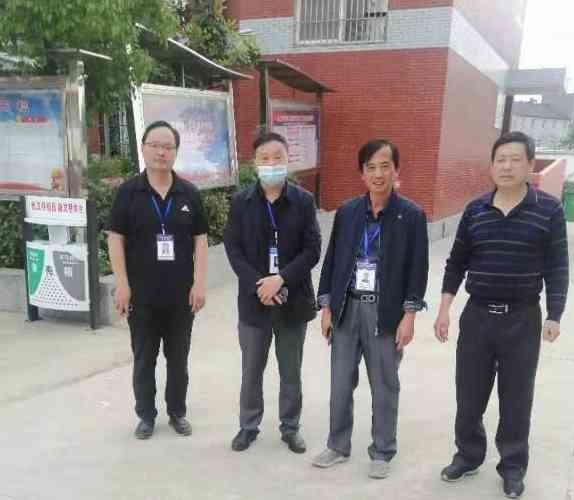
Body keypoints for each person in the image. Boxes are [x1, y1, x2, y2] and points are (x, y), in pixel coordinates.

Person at [434, 131, 569, 498]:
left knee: (516, 399)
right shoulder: (475, 210)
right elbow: (456, 262)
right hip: (477, 317)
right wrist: (444, 309)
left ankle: (512, 466)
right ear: (492, 166)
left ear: (530, 164)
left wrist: (554, 314)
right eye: (500, 159)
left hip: (522, 319)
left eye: (515, 159)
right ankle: (468, 455)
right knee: (469, 395)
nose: (507, 166)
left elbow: (558, 265)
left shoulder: (549, 210)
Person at [312, 139, 429, 479]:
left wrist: (409, 316)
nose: (378, 174)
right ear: (362, 173)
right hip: (347, 309)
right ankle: (337, 445)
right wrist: (327, 306)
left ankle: (382, 451)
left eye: (385, 166)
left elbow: (417, 269)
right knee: (340, 382)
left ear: (396, 170)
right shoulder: (348, 212)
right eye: (371, 167)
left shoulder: (411, 215)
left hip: (385, 311)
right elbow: (332, 261)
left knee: (384, 385)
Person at [108, 120, 209, 439]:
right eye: (155, 145)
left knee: (178, 360)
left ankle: (177, 412)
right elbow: (115, 238)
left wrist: (199, 283)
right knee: (144, 359)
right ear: (143, 148)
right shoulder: (128, 192)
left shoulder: (189, 193)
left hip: (180, 296)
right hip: (142, 296)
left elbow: (201, 239)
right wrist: (122, 284)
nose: (161, 152)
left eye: (168, 147)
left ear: (176, 152)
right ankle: (146, 415)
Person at [223, 132, 321, 454]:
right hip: (254, 303)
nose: (271, 163)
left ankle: (290, 428)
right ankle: (248, 426)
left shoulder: (303, 201)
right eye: (264, 158)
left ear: (288, 160)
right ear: (254, 163)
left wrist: (280, 280)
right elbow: (234, 250)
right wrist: (260, 285)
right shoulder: (241, 202)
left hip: (292, 300)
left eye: (278, 157)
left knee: (291, 371)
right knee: (251, 370)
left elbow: (312, 249)